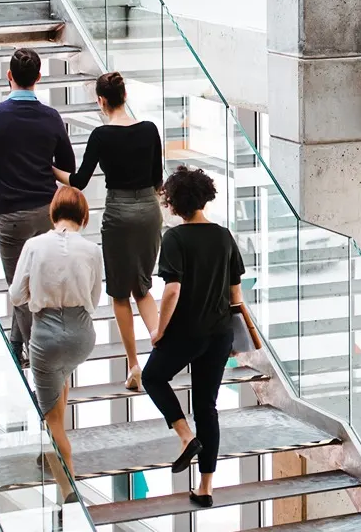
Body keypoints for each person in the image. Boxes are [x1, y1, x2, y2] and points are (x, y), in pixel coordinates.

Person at [0, 48, 76, 366]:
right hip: (45, 212)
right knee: (38, 281)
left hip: (10, 214)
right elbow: (67, 165)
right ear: (38, 79)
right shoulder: (51, 117)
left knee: (19, 286)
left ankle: (34, 352)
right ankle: (17, 345)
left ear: (9, 76)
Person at [142, 165, 244, 508]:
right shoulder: (224, 236)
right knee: (207, 407)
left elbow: (172, 291)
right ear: (204, 197)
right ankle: (205, 488)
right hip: (219, 335)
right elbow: (236, 297)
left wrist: (159, 331)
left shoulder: (175, 238)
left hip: (186, 331)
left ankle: (186, 438)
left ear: (174, 203)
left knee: (152, 377)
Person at [53, 72, 163, 390]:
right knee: (143, 288)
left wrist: (49, 169)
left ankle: (133, 366)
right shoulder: (150, 130)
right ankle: (160, 348)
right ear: (125, 95)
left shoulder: (101, 136)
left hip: (119, 214)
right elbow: (157, 179)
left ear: (101, 101)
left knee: (119, 293)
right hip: (149, 212)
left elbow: (79, 181)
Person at [9, 186, 103, 482]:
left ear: (53, 213)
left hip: (46, 335)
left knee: (53, 421)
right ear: (83, 216)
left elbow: (15, 296)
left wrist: (39, 293)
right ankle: (52, 453)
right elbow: (95, 299)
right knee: (61, 379)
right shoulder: (92, 250)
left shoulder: (34, 246)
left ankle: (68, 487)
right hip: (82, 336)